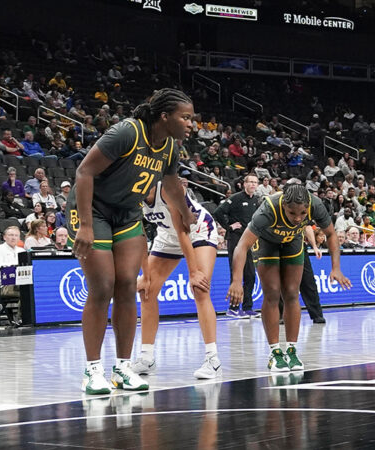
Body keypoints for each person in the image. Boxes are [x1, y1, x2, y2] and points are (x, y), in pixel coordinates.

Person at [68, 88, 197, 395]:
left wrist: (186, 212)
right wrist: (85, 225)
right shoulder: (127, 132)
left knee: (128, 284)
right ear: (164, 117)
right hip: (93, 210)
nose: (192, 124)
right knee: (102, 286)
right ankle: (92, 371)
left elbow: (172, 186)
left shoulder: (169, 148)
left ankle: (122, 368)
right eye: (186, 117)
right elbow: (84, 171)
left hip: (126, 213)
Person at [226, 183, 351, 372]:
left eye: (302, 214)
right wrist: (236, 281)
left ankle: (291, 350)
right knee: (273, 293)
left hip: (293, 240)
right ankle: (274, 353)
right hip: (267, 242)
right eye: (293, 213)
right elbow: (241, 246)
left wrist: (336, 268)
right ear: (284, 204)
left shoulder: (315, 204)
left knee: (292, 292)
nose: (298, 218)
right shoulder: (267, 210)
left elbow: (331, 234)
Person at [131, 180, 225, 379]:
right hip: (167, 235)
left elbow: (183, 230)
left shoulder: (166, 189)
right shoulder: (131, 193)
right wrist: (146, 275)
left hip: (197, 229)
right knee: (145, 290)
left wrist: (193, 273)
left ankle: (213, 359)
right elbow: (138, 235)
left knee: (200, 288)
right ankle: (147, 358)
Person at [212, 174, 261, 318]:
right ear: (244, 184)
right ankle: (233, 308)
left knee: (250, 275)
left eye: (255, 182)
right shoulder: (235, 198)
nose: (253, 184)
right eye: (250, 182)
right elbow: (218, 212)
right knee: (236, 274)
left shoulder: (256, 201)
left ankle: (247, 307)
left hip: (248, 240)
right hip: (235, 239)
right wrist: (229, 227)